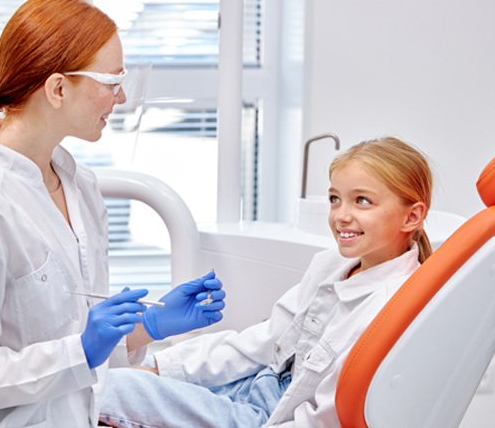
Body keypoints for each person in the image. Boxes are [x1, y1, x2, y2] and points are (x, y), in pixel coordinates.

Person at [0, 0, 225, 428]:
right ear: (58, 88)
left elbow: (76, 342)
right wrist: (81, 350)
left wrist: (149, 324)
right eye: (112, 82)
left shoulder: (82, 187)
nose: (123, 96)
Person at [99, 136, 433, 428]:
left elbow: (326, 417)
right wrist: (161, 367)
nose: (341, 214)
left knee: (104, 391)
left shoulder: (387, 308)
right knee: (116, 379)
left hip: (271, 417)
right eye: (335, 198)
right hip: (257, 385)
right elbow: (263, 341)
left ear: (412, 216)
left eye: (362, 201)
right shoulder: (331, 263)